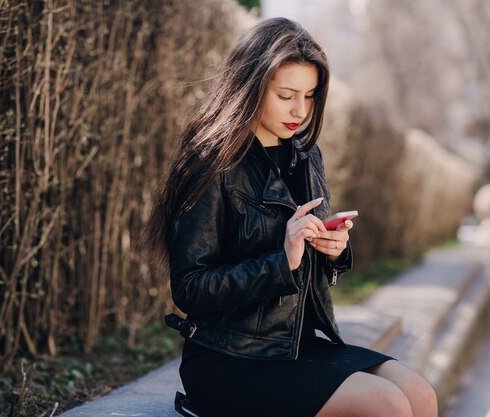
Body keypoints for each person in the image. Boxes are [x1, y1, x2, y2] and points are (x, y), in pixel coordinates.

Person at [141, 17, 437, 417]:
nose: (300, 110)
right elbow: (191, 288)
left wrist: (332, 252)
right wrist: (282, 261)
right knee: (385, 404)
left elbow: (309, 260)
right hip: (228, 357)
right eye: (286, 95)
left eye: (310, 96)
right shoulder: (211, 163)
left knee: (420, 394)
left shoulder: (307, 155)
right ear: (251, 85)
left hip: (298, 344)